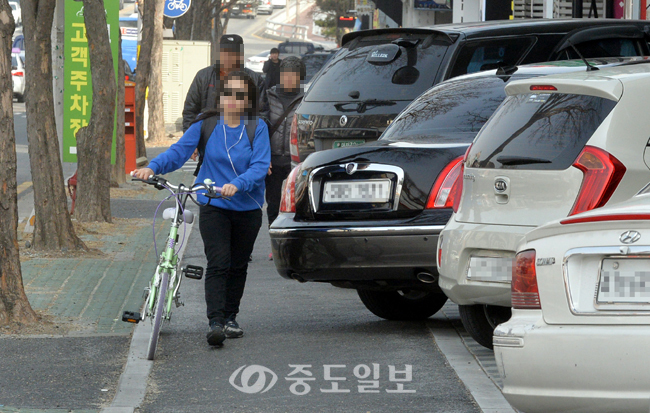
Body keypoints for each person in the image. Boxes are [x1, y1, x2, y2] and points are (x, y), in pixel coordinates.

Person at [132, 71, 271, 347]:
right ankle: (216, 322)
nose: (233, 100)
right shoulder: (206, 124)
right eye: (229, 93)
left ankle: (231, 317)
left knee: (238, 265)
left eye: (241, 95)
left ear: (248, 100)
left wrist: (237, 184)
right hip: (213, 204)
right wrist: (152, 167)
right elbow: (178, 151)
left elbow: (259, 166)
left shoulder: (258, 127)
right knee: (219, 261)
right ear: (221, 95)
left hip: (248, 206)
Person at [182, 34, 268, 133]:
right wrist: (191, 141)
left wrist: (251, 138)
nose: (228, 57)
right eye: (225, 52)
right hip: (207, 140)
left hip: (241, 141)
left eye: (233, 53)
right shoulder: (203, 76)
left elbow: (262, 114)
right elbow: (190, 111)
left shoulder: (255, 80)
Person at [265, 57, 305, 239]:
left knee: (296, 203)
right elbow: (260, 128)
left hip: (295, 161)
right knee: (273, 204)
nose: (289, 79)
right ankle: (275, 241)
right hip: (272, 160)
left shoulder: (307, 99)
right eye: (285, 74)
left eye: (293, 75)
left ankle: (291, 239)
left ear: (300, 77)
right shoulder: (267, 97)